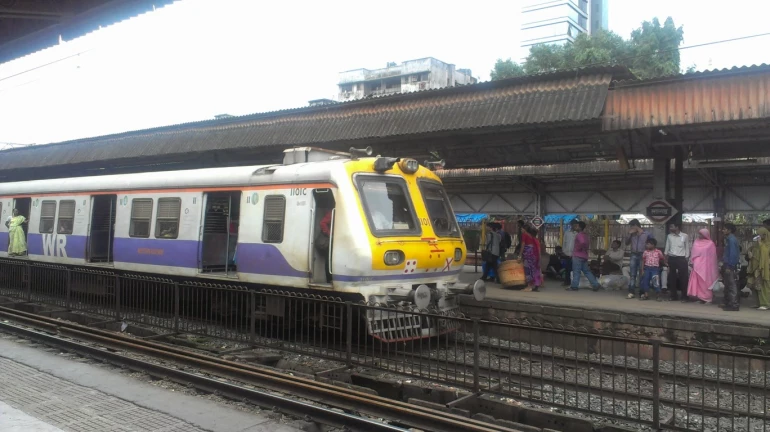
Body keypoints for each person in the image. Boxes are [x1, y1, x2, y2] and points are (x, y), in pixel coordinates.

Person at [687, 229, 719, 304]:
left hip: (706, 266)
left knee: (705, 282)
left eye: (701, 234)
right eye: (699, 234)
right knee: (698, 282)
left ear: (705, 235)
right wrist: (692, 262)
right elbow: (693, 253)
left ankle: (708, 298)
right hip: (696, 265)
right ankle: (700, 298)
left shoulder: (710, 244)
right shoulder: (696, 242)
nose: (699, 235)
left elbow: (713, 257)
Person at [568, 221, 600, 291]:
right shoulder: (585, 235)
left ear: (579, 227)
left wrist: (578, 248)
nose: (575, 227)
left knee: (576, 271)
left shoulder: (579, 235)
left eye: (577, 226)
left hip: (577, 255)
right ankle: (595, 284)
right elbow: (586, 243)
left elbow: (582, 242)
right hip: (584, 256)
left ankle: (574, 286)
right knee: (587, 271)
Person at [665, 222, 691, 302]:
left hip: (681, 258)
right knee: (671, 278)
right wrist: (666, 257)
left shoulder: (685, 236)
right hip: (672, 258)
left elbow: (687, 247)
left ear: (677, 227)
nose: (670, 228)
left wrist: (686, 257)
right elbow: (667, 247)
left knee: (684, 278)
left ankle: (684, 296)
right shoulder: (669, 236)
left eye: (672, 226)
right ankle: (673, 296)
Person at [625, 219, 649, 296]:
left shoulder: (646, 234)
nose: (630, 228)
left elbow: (652, 243)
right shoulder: (632, 234)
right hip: (633, 254)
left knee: (642, 273)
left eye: (631, 227)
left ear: (635, 225)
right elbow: (626, 243)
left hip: (643, 254)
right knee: (632, 274)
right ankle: (631, 291)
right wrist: (629, 234)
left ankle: (641, 291)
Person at [720, 223, 741, 311]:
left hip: (730, 265)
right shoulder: (729, 239)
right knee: (728, 284)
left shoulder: (731, 240)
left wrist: (729, 265)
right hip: (728, 264)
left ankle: (734, 304)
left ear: (729, 230)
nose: (723, 230)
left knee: (731, 285)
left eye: (724, 229)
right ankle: (729, 302)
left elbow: (733, 254)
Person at [749, 228, 770, 310]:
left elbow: (765, 253)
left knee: (765, 286)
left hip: (765, 269)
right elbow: (752, 250)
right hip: (756, 268)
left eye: (760, 234)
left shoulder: (767, 244)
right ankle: (758, 303)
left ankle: (766, 303)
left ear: (764, 235)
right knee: (756, 286)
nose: (758, 236)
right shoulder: (757, 244)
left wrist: (760, 244)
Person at [519, 224, 542, 292]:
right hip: (535, 256)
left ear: (525, 229)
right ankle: (536, 285)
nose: (521, 230)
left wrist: (520, 255)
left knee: (528, 270)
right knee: (535, 270)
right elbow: (538, 249)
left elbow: (523, 245)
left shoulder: (524, 235)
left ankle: (529, 286)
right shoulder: (534, 238)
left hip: (528, 255)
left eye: (522, 229)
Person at [561, 220, 578, 287]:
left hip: (575, 254)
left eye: (575, 225)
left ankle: (573, 282)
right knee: (567, 269)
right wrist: (564, 251)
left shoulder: (577, 234)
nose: (574, 226)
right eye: (573, 225)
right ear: (571, 225)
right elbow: (564, 242)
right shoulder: (567, 232)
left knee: (574, 269)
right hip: (567, 254)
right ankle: (567, 281)